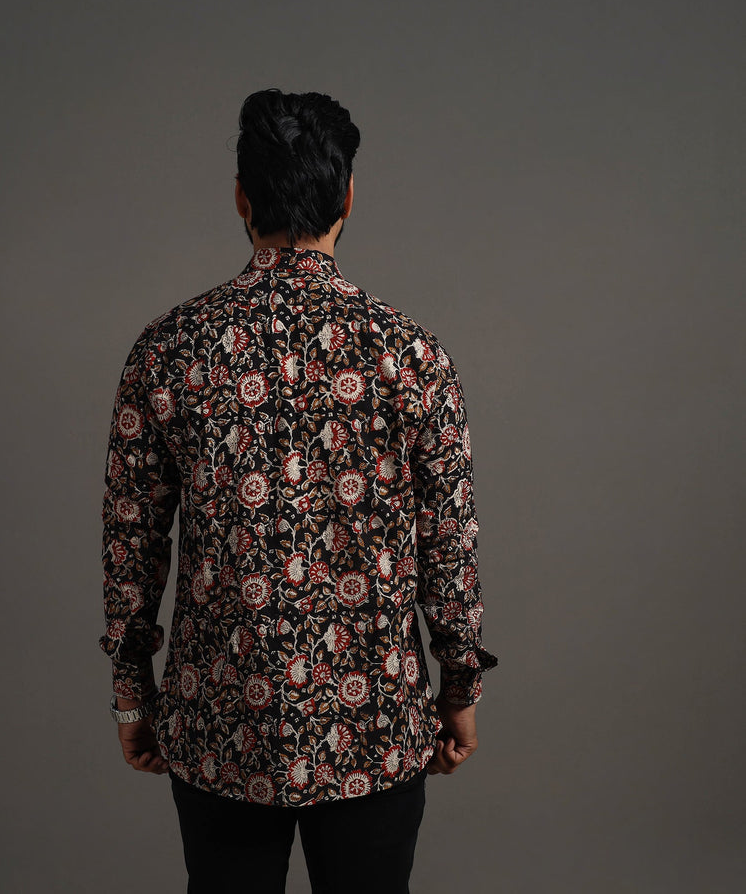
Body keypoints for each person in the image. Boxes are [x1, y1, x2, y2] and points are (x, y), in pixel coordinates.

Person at [98, 87, 498, 894]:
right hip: (373, 726)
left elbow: (130, 539)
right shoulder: (410, 355)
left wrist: (133, 698)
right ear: (347, 197)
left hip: (221, 723)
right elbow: (449, 540)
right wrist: (459, 687)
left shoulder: (169, 349)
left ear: (241, 199)